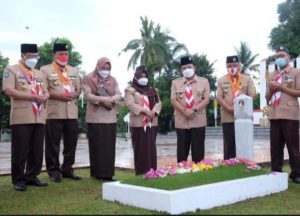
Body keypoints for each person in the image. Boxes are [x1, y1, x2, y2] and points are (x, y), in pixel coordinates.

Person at [2, 44, 49, 191]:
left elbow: (46, 91)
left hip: (39, 115)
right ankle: (18, 179)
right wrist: (32, 96)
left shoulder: (39, 73)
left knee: (37, 149)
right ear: (23, 55)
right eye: (31, 56)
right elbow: (8, 90)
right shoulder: (11, 70)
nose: (34, 59)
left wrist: (45, 96)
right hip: (22, 115)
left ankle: (31, 176)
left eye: (36, 56)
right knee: (20, 150)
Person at [41, 43, 81, 182]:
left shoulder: (74, 70)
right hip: (54, 112)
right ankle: (53, 171)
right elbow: (44, 89)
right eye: (61, 54)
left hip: (72, 112)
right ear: (54, 55)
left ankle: (68, 169)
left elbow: (78, 89)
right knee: (53, 144)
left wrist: (75, 94)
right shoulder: (45, 70)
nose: (64, 56)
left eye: (66, 54)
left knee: (71, 143)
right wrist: (60, 96)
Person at [82, 57, 121, 181]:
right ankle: (98, 174)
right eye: (103, 68)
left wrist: (112, 98)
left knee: (109, 147)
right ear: (97, 67)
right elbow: (88, 95)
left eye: (108, 68)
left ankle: (108, 174)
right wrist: (104, 99)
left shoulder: (113, 80)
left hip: (110, 117)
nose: (105, 70)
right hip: (95, 117)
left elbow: (119, 94)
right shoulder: (89, 78)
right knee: (97, 146)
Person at [265, 46, 300, 184]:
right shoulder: (272, 75)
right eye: (277, 56)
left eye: (282, 55)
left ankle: (296, 173)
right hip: (274, 114)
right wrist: (272, 91)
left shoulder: (296, 72)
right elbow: (267, 97)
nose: (279, 58)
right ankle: (276, 171)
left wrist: (280, 88)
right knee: (275, 146)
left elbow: (298, 91)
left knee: (293, 146)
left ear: (288, 57)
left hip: (290, 114)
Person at [171, 56, 210, 163]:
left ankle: (199, 173)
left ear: (194, 67)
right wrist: (184, 111)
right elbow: (173, 100)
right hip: (181, 120)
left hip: (198, 119)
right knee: (182, 151)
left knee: (198, 151)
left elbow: (206, 99)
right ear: (181, 70)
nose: (186, 70)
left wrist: (193, 110)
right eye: (184, 68)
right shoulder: (175, 83)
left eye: (189, 67)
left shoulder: (204, 81)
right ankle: (181, 173)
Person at [124, 66, 161, 175]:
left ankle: (152, 172)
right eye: (141, 76)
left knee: (151, 148)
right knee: (141, 149)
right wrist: (145, 111)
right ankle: (141, 173)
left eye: (145, 76)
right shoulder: (130, 90)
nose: (143, 78)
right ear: (136, 77)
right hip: (139, 125)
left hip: (152, 123)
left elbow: (159, 103)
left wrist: (153, 112)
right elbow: (130, 104)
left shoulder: (153, 90)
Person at [217, 55, 255, 160]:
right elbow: (219, 97)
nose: (232, 68)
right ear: (226, 67)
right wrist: (229, 108)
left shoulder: (247, 79)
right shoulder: (221, 80)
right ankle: (228, 165)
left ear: (239, 66)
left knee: (243, 142)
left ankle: (244, 163)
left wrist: (241, 109)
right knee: (229, 144)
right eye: (229, 66)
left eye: (234, 65)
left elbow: (252, 95)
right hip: (228, 116)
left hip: (243, 116)